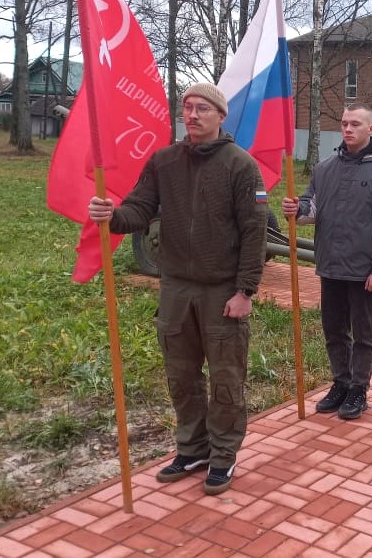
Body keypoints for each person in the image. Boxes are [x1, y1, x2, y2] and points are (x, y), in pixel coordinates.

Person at [88, 82, 266, 495]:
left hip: (222, 291)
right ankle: (192, 447)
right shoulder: (164, 161)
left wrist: (245, 291)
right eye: (187, 107)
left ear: (221, 116)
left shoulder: (241, 165)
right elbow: (139, 209)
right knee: (181, 376)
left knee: (225, 379)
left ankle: (222, 455)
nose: (192, 114)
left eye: (202, 107)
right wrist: (111, 215)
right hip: (175, 290)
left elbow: (255, 232)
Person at [281, 104, 372, 420]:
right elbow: (311, 209)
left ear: (371, 129)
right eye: (344, 124)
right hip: (331, 266)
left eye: (355, 124)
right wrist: (296, 209)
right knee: (334, 330)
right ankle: (340, 383)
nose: (348, 129)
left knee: (364, 334)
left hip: (364, 271)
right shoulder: (325, 168)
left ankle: (358, 390)